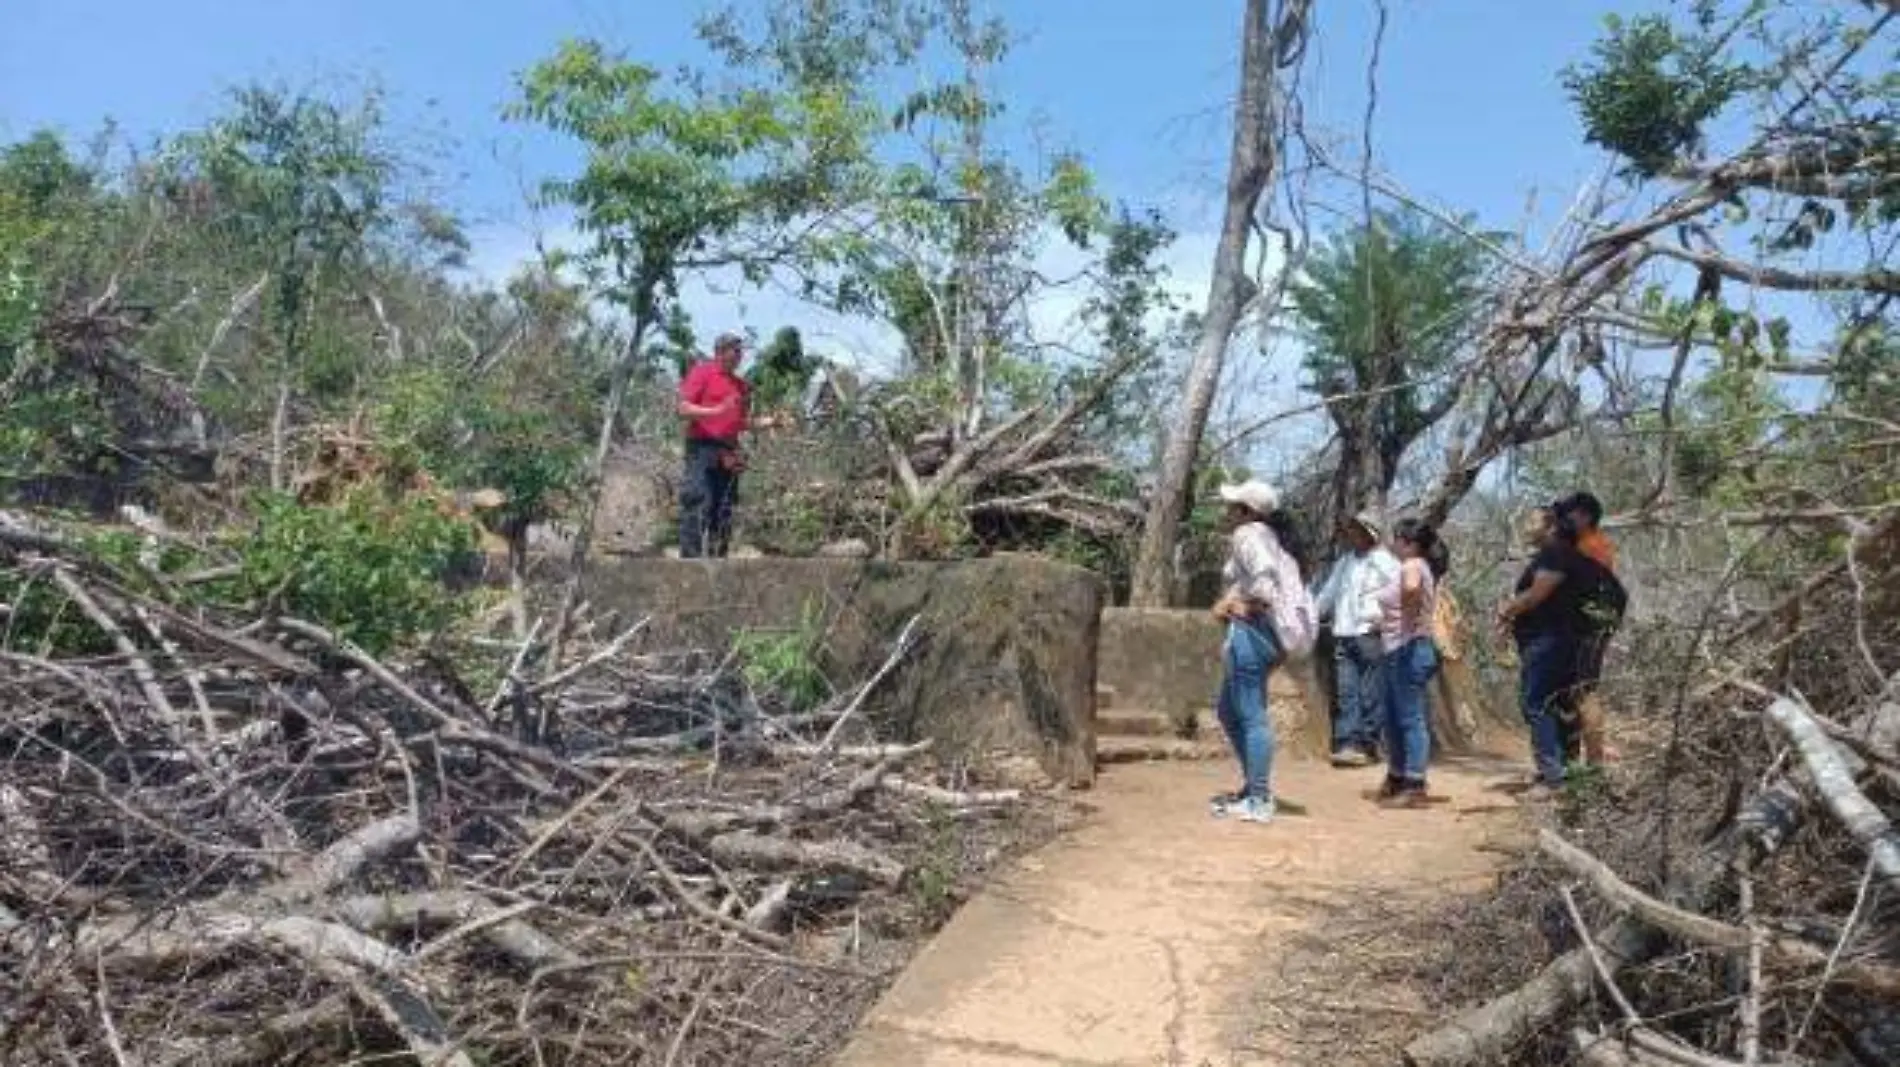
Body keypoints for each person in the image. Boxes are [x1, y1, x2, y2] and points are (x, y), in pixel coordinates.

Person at [1207, 479, 1307, 825]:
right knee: (1228, 709)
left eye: (1232, 505)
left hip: (1253, 632)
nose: (1227, 511)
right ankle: (1254, 788)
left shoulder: (1248, 534)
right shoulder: (1269, 538)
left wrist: (1242, 605)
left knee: (1249, 712)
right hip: (1264, 633)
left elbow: (1264, 581)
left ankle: (1259, 797)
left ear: (1246, 511)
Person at [1494, 507, 1591, 797]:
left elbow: (1537, 594)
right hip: (1557, 641)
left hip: (1548, 642)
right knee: (1559, 704)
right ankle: (1563, 772)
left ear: (1551, 527)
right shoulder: (1557, 555)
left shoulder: (1554, 554)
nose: (1526, 526)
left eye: (1532, 520)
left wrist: (1508, 608)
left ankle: (1553, 778)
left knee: (1536, 703)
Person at [1310, 511, 1399, 767]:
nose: (1353, 535)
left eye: (1359, 530)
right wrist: (1310, 618)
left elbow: (1402, 593)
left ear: (1370, 533)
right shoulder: (1345, 562)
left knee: (1371, 692)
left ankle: (1367, 744)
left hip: (1371, 634)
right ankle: (1347, 743)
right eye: (1352, 530)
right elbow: (1328, 594)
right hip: (1344, 633)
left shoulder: (1386, 562)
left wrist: (1385, 619)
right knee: (1347, 692)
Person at [1376, 519, 1445, 805]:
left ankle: (1414, 783)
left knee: (1409, 718)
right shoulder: (1414, 565)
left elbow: (1413, 587)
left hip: (1410, 648)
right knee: (1395, 717)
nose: (1393, 544)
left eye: (1397, 539)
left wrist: (1408, 613)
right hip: (1400, 648)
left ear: (1409, 543)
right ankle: (1398, 775)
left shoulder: (1412, 565)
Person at [1554, 492, 1623, 767]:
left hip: (1587, 627)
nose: (1562, 520)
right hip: (1584, 625)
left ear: (1584, 516)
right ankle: (1571, 760)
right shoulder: (1588, 544)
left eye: (1568, 514)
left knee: (1584, 691)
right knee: (1573, 693)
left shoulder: (1591, 546)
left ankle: (1593, 762)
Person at [677, 333, 751, 558]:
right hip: (702, 446)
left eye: (741, 351)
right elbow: (682, 409)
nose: (739, 356)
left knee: (724, 508)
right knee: (699, 502)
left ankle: (719, 561)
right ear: (720, 351)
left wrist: (770, 422)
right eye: (735, 350)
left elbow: (739, 423)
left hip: (729, 449)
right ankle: (690, 564)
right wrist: (715, 411)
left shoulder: (741, 386)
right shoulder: (702, 372)